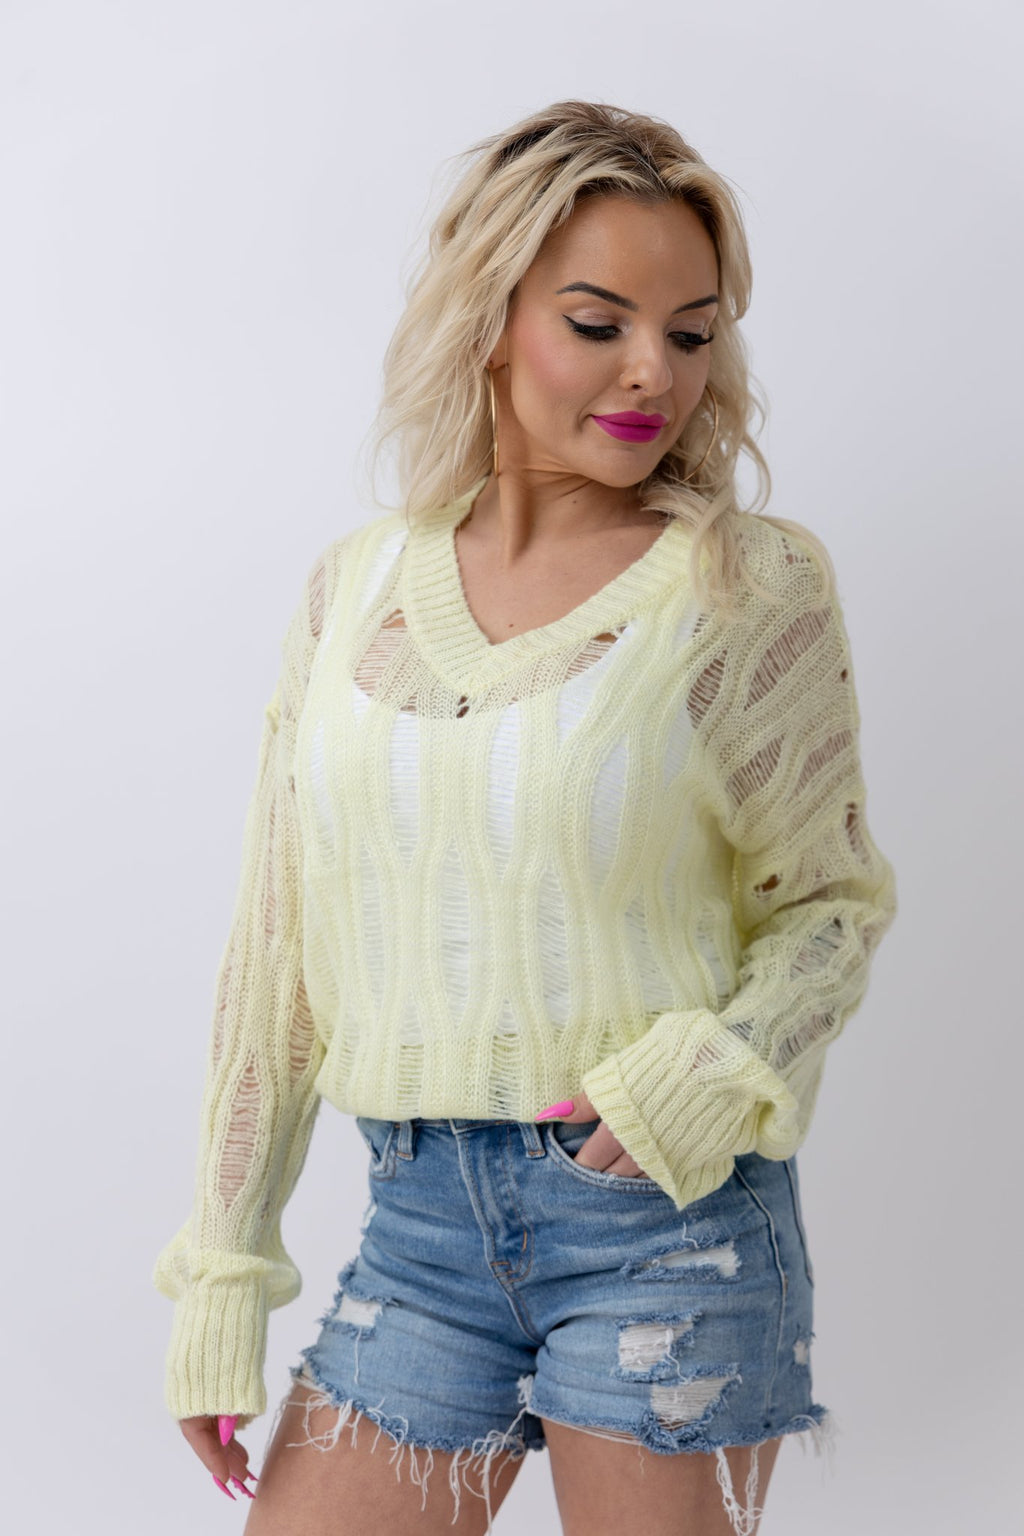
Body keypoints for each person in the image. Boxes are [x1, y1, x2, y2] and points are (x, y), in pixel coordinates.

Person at [152, 99, 898, 1535]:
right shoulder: (355, 590)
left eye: (691, 333)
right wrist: (222, 1277)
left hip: (664, 1220)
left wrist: (710, 1070)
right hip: (418, 1233)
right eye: (598, 322)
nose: (654, 372)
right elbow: (276, 956)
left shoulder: (748, 588)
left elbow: (833, 906)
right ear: (491, 319)